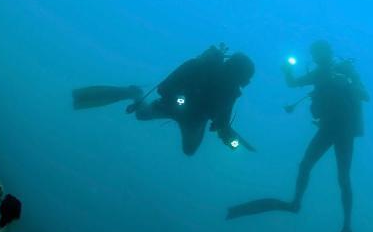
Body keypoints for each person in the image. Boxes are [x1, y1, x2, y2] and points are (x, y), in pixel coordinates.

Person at [226, 40, 368, 229]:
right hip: (327, 128)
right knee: (305, 165)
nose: (317, 57)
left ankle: (346, 224)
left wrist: (348, 83)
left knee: (342, 177)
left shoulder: (345, 70)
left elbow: (366, 96)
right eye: (315, 54)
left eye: (320, 53)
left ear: (328, 53)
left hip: (344, 130)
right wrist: (286, 70)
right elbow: (293, 83)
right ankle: (296, 203)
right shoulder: (319, 73)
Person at [72, 45, 255, 157]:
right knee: (141, 115)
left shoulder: (230, 92)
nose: (241, 84)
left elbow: (221, 120)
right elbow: (165, 87)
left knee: (189, 151)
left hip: (194, 120)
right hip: (173, 106)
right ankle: (133, 93)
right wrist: (179, 99)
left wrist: (226, 135)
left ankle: (135, 95)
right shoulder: (198, 67)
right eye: (242, 79)